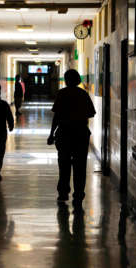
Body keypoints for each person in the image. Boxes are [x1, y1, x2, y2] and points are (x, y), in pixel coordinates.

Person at [47, 69, 96, 212]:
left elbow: (56, 116)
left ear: (67, 80)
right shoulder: (83, 94)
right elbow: (91, 113)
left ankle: (63, 193)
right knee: (80, 165)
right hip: (81, 133)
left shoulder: (62, 94)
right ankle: (79, 195)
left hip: (64, 133)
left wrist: (51, 134)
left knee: (64, 164)